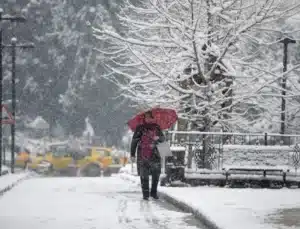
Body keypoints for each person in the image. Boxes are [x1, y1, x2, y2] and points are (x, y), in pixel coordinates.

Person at [130, 111, 165, 200]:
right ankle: (145, 194)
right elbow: (134, 141)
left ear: (153, 118)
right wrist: (132, 154)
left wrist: (159, 139)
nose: (148, 119)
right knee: (144, 175)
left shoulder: (157, 127)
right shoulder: (140, 128)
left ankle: (153, 193)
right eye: (147, 117)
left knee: (156, 175)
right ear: (144, 118)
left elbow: (163, 139)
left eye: (150, 117)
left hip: (155, 155)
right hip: (143, 154)